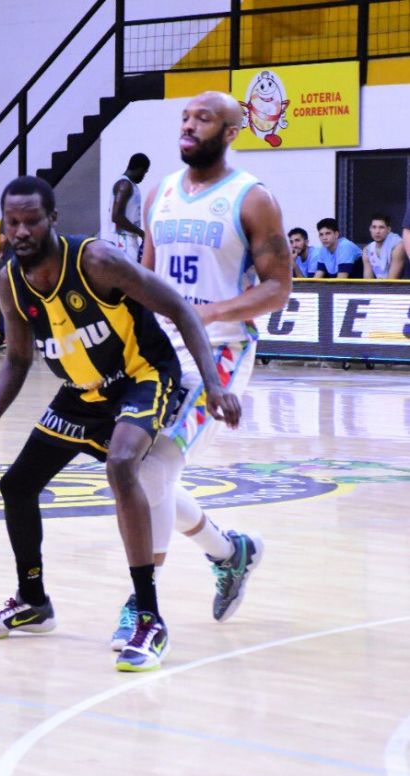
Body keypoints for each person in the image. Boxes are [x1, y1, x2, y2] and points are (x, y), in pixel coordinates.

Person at [0, 176, 239, 673]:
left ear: (52, 219)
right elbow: (17, 360)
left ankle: (148, 616)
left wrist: (213, 384)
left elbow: (178, 308)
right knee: (16, 485)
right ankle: (33, 602)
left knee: (124, 465)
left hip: (142, 377)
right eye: (12, 222)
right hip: (81, 393)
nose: (20, 231)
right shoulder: (9, 281)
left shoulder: (96, 261)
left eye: (31, 221)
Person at [121, 90, 291, 649]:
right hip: (161, 349)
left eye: (204, 118)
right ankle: (229, 551)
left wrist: (210, 312)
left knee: (151, 472)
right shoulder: (160, 192)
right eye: (186, 117)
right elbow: (145, 278)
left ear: (231, 131)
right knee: (139, 472)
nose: (190, 125)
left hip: (220, 349)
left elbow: (277, 288)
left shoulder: (252, 198)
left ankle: (142, 607)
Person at [106, 153, 150, 263]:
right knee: (128, 272)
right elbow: (116, 216)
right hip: (123, 239)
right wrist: (140, 232)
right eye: (144, 172)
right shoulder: (124, 185)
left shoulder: (130, 185)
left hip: (129, 239)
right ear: (140, 168)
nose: (143, 176)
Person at [362, 214, 406, 279]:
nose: (377, 231)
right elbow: (367, 281)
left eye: (381, 227)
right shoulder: (367, 250)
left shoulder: (398, 246)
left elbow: (392, 280)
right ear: (370, 229)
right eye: (374, 227)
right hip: (380, 285)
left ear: (388, 229)